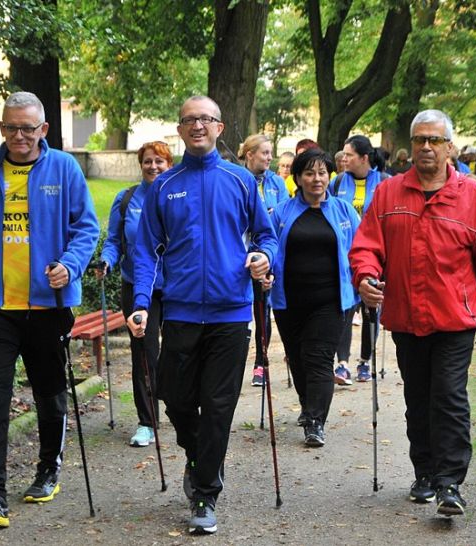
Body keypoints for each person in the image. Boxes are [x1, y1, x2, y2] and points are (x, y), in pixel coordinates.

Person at [0, 92, 100, 529]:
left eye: (27, 128)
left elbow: (86, 227)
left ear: (43, 129)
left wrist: (70, 266)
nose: (19, 136)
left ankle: (48, 469)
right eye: (11, 127)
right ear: (1, 128)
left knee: (49, 392)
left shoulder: (64, 168)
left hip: (48, 304)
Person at [349, 109, 476, 516]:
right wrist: (365, 276)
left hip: (455, 319)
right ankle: (424, 473)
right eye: (420, 139)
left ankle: (449, 482)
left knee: (449, 397)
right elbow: (367, 245)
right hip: (406, 317)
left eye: (435, 140)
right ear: (411, 145)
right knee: (418, 398)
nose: (426, 146)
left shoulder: (473, 197)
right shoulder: (388, 194)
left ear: (449, 147)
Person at [128, 95, 278, 535]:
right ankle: (198, 458)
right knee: (174, 397)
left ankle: (205, 493)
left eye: (205, 119)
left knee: (217, 406)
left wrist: (263, 258)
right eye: (189, 120)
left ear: (219, 127)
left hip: (231, 314)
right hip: (180, 313)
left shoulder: (240, 181)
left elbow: (267, 237)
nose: (197, 125)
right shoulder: (164, 186)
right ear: (180, 129)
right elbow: (145, 250)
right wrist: (141, 302)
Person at [270, 149, 360, 445]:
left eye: (322, 173)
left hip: (330, 300)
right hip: (289, 300)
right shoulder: (282, 213)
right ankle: (308, 404)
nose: (317, 179)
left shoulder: (344, 211)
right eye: (309, 173)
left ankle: (315, 421)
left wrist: (364, 281)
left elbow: (360, 250)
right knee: (297, 359)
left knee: (319, 358)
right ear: (297, 178)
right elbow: (269, 247)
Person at [97, 142, 173, 447]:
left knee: (179, 351)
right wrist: (106, 260)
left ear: (169, 165)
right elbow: (114, 241)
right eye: (148, 161)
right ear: (140, 165)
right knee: (144, 354)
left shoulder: (178, 197)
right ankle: (147, 421)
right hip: (137, 287)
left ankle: (181, 408)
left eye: (160, 161)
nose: (153, 166)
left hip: (177, 287)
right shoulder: (127, 199)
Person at [329, 135, 390, 386]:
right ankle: (342, 363)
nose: (343, 158)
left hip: (374, 256)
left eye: (349, 154)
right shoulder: (337, 182)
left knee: (370, 309)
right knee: (345, 308)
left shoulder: (384, 182)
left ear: (364, 158)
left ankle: (364, 361)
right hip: (343, 256)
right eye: (343, 154)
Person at [237, 134, 289, 387]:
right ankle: (234, 363)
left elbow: (284, 219)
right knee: (240, 312)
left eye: (271, 153)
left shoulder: (277, 182)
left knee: (262, 310)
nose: (270, 158)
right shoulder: (237, 178)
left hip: (267, 256)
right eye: (265, 153)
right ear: (250, 154)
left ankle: (261, 363)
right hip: (240, 256)